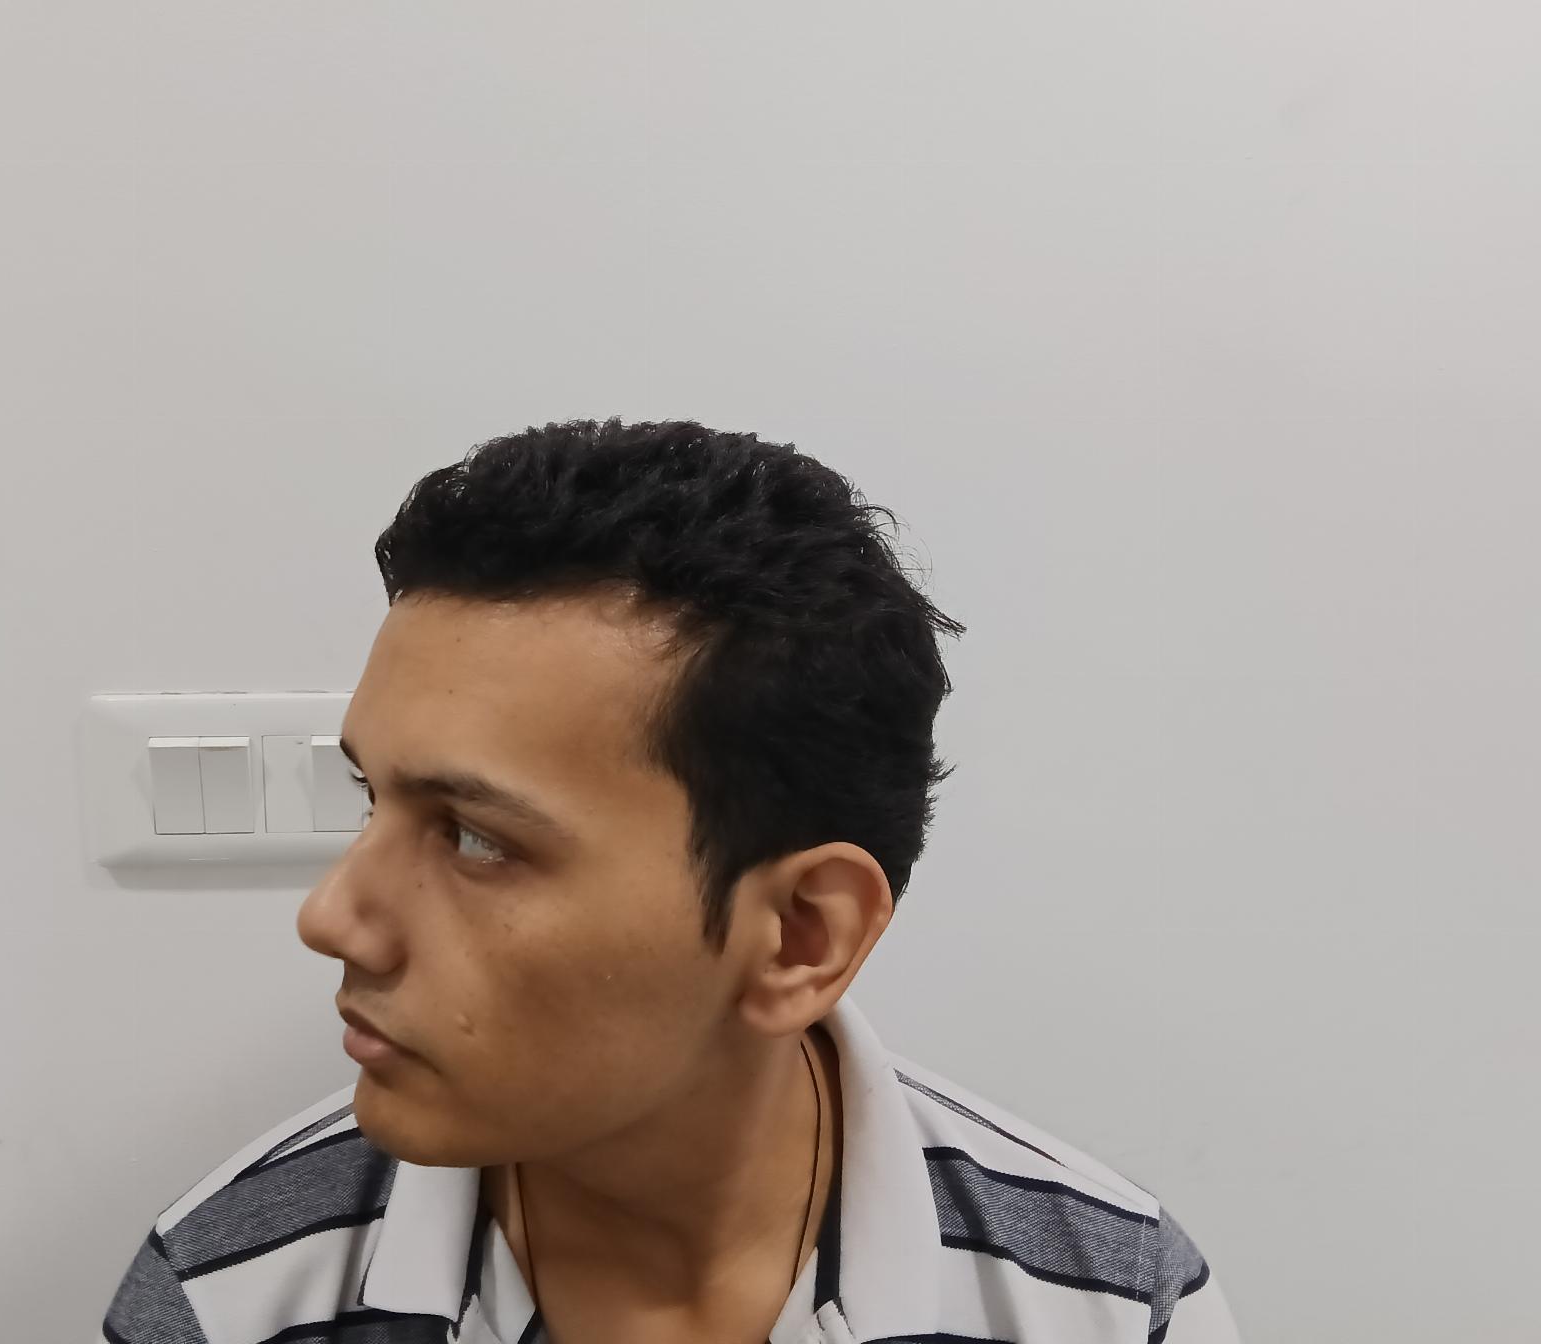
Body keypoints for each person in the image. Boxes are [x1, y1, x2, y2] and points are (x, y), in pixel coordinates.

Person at [98, 418, 1242, 1344]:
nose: (332, 917)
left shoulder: (1101, 1304)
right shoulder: (232, 1298)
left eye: (477, 839)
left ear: (801, 935)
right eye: (370, 799)